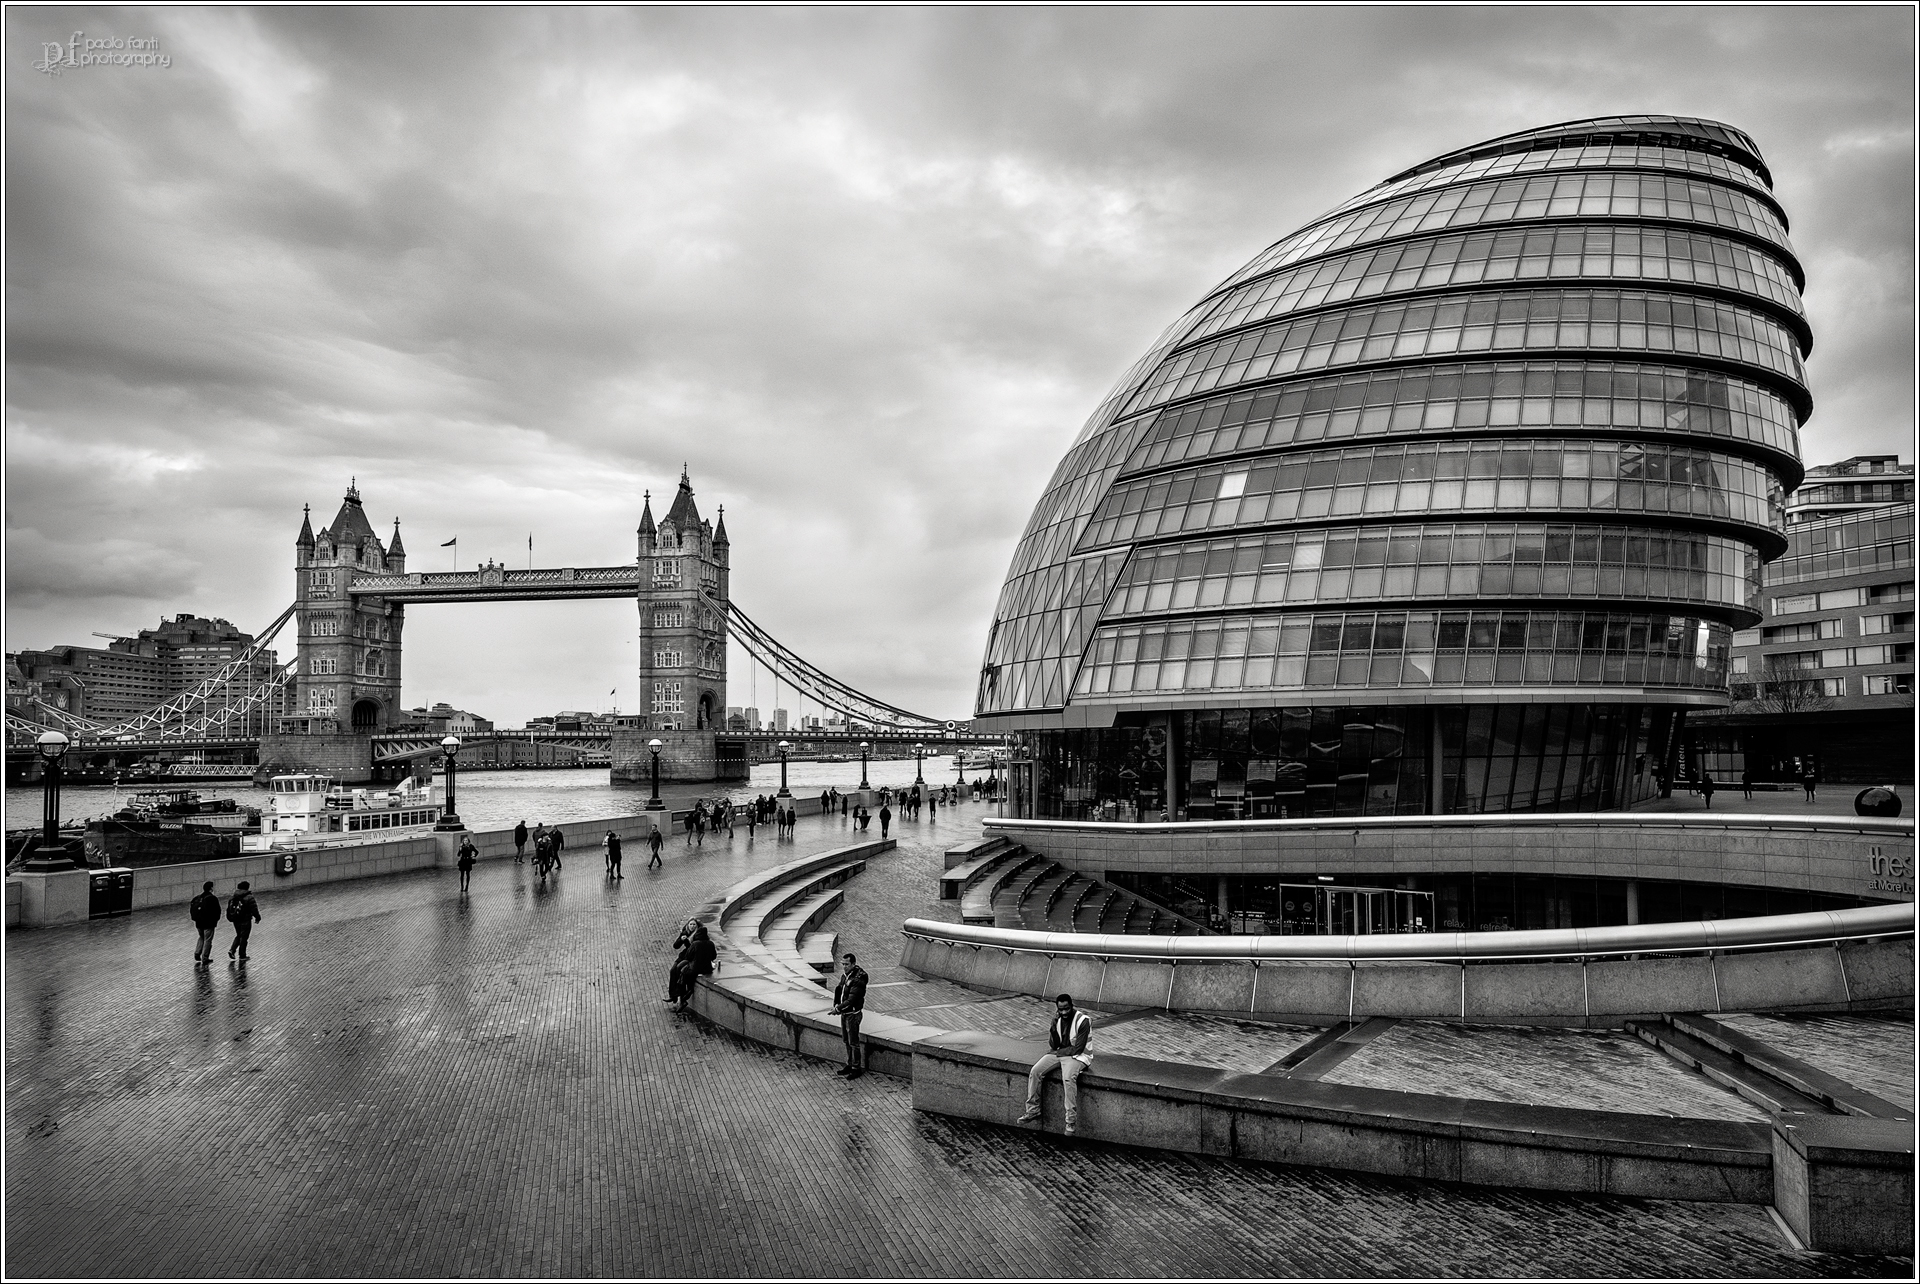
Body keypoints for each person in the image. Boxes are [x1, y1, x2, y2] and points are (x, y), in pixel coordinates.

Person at [1018, 993, 1094, 1135]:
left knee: (1068, 1078)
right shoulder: (1058, 1019)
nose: (1064, 1012)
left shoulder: (1083, 1021)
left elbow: (1078, 1048)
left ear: (1072, 1006)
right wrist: (1053, 1027)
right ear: (1057, 1009)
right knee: (1035, 1071)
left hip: (1078, 1056)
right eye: (1061, 1010)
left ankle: (1070, 1121)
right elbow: (1054, 1044)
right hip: (1059, 1053)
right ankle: (1033, 1110)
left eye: (1066, 1009)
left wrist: (1059, 1053)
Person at [827, 952, 868, 1078]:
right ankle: (850, 1064)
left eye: (847, 964)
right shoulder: (846, 975)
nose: (844, 966)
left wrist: (837, 1009)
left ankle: (856, 1068)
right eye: (843, 964)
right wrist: (836, 1004)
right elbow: (839, 990)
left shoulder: (859, 978)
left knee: (853, 1042)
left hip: (852, 1014)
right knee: (846, 1040)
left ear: (853, 964)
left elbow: (852, 1000)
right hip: (845, 1013)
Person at [225, 880, 261, 961]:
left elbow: (228, 909)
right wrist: (257, 917)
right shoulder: (249, 897)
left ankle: (232, 950)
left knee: (239, 935)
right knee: (244, 937)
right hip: (245, 920)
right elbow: (254, 908)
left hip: (236, 920)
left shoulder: (233, 897)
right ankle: (242, 955)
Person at [189, 880, 222, 964]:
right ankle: (205, 957)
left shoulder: (198, 898)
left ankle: (197, 953)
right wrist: (215, 920)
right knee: (208, 939)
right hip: (209, 923)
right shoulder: (212, 898)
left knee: (201, 937)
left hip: (199, 923)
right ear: (211, 888)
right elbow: (217, 911)